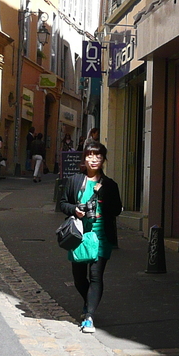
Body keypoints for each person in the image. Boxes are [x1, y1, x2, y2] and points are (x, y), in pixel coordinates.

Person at [57, 140, 122, 334]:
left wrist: (103, 193)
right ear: (84, 158)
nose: (94, 160)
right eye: (90, 156)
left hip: (101, 235)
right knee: (78, 278)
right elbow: (62, 204)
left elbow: (116, 210)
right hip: (79, 235)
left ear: (103, 159)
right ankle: (89, 301)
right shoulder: (75, 180)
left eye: (98, 156)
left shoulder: (110, 184)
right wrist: (75, 210)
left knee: (95, 276)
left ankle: (89, 316)